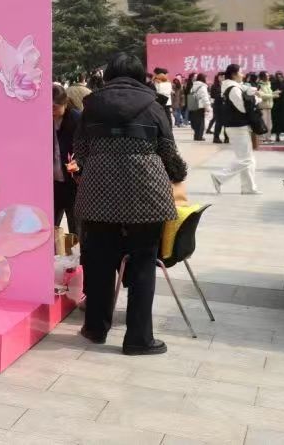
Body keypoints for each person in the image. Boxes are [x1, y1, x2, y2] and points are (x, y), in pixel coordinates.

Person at [75, 52, 188, 355]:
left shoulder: (92, 105)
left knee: (98, 263)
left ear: (109, 75)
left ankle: (95, 328)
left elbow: (81, 152)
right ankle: (139, 338)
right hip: (146, 193)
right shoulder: (153, 106)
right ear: (140, 75)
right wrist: (178, 173)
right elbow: (168, 151)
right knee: (142, 264)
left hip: (99, 192)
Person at [210, 64, 261, 195]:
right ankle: (220, 177)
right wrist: (255, 100)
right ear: (234, 74)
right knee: (246, 159)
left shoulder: (231, 86)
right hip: (237, 127)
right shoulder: (233, 89)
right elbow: (243, 108)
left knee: (247, 159)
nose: (242, 75)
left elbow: (245, 89)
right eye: (240, 72)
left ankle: (248, 188)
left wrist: (253, 92)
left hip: (236, 126)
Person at [52, 83, 81, 234]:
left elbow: (83, 149)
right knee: (51, 225)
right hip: (53, 182)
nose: (51, 111)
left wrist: (78, 167)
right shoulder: (42, 119)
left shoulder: (76, 119)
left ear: (65, 104)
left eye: (55, 107)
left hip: (72, 181)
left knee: (75, 226)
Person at [186, 73, 210, 141]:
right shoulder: (202, 86)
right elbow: (204, 97)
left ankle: (196, 136)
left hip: (193, 104)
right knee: (200, 122)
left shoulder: (194, 85)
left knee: (196, 121)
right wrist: (207, 106)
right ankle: (199, 136)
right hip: (200, 105)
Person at [255, 71, 276, 141]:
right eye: (266, 76)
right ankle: (262, 138)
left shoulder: (268, 84)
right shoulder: (259, 85)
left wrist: (274, 93)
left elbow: (268, 94)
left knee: (269, 124)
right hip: (263, 107)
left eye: (268, 76)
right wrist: (272, 95)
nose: (268, 77)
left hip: (269, 106)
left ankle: (268, 137)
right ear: (262, 77)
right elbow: (261, 95)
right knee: (264, 123)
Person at [209, 73, 227, 144]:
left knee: (226, 123)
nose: (222, 78)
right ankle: (216, 138)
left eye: (224, 77)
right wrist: (221, 95)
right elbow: (212, 96)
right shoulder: (214, 86)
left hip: (226, 106)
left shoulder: (227, 85)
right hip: (217, 106)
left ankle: (226, 138)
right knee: (219, 122)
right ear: (218, 77)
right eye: (221, 77)